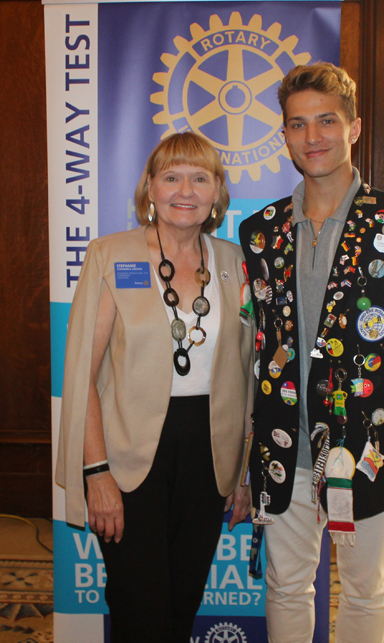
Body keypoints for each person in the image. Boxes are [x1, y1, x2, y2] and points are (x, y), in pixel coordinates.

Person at [239, 63, 384, 643]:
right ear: (283, 135)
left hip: (369, 445)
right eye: (297, 124)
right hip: (283, 441)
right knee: (286, 586)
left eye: (327, 121)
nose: (313, 137)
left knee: (366, 589)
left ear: (354, 128)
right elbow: (256, 340)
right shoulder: (258, 233)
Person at [56, 131, 253, 643]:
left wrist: (247, 471)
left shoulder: (236, 262)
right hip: (127, 455)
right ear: (150, 188)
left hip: (210, 454)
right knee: (138, 604)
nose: (184, 190)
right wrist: (96, 473)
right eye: (171, 177)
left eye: (199, 177)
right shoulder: (109, 254)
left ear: (217, 193)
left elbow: (252, 373)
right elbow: (85, 374)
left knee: (182, 600)